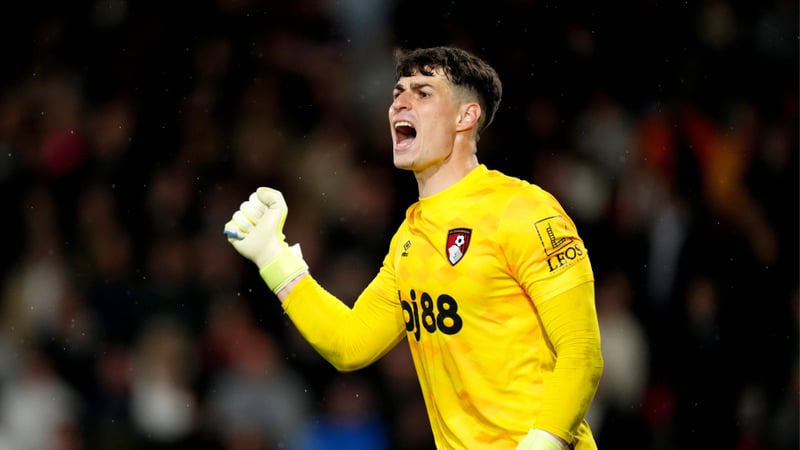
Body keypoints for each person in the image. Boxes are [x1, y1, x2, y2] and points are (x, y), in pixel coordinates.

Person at [224, 46, 604, 450]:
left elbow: (581, 351)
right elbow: (350, 343)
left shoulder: (523, 210)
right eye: (397, 93)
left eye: (422, 93)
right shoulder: (410, 238)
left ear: (466, 116)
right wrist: (272, 256)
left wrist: (543, 442)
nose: (399, 103)